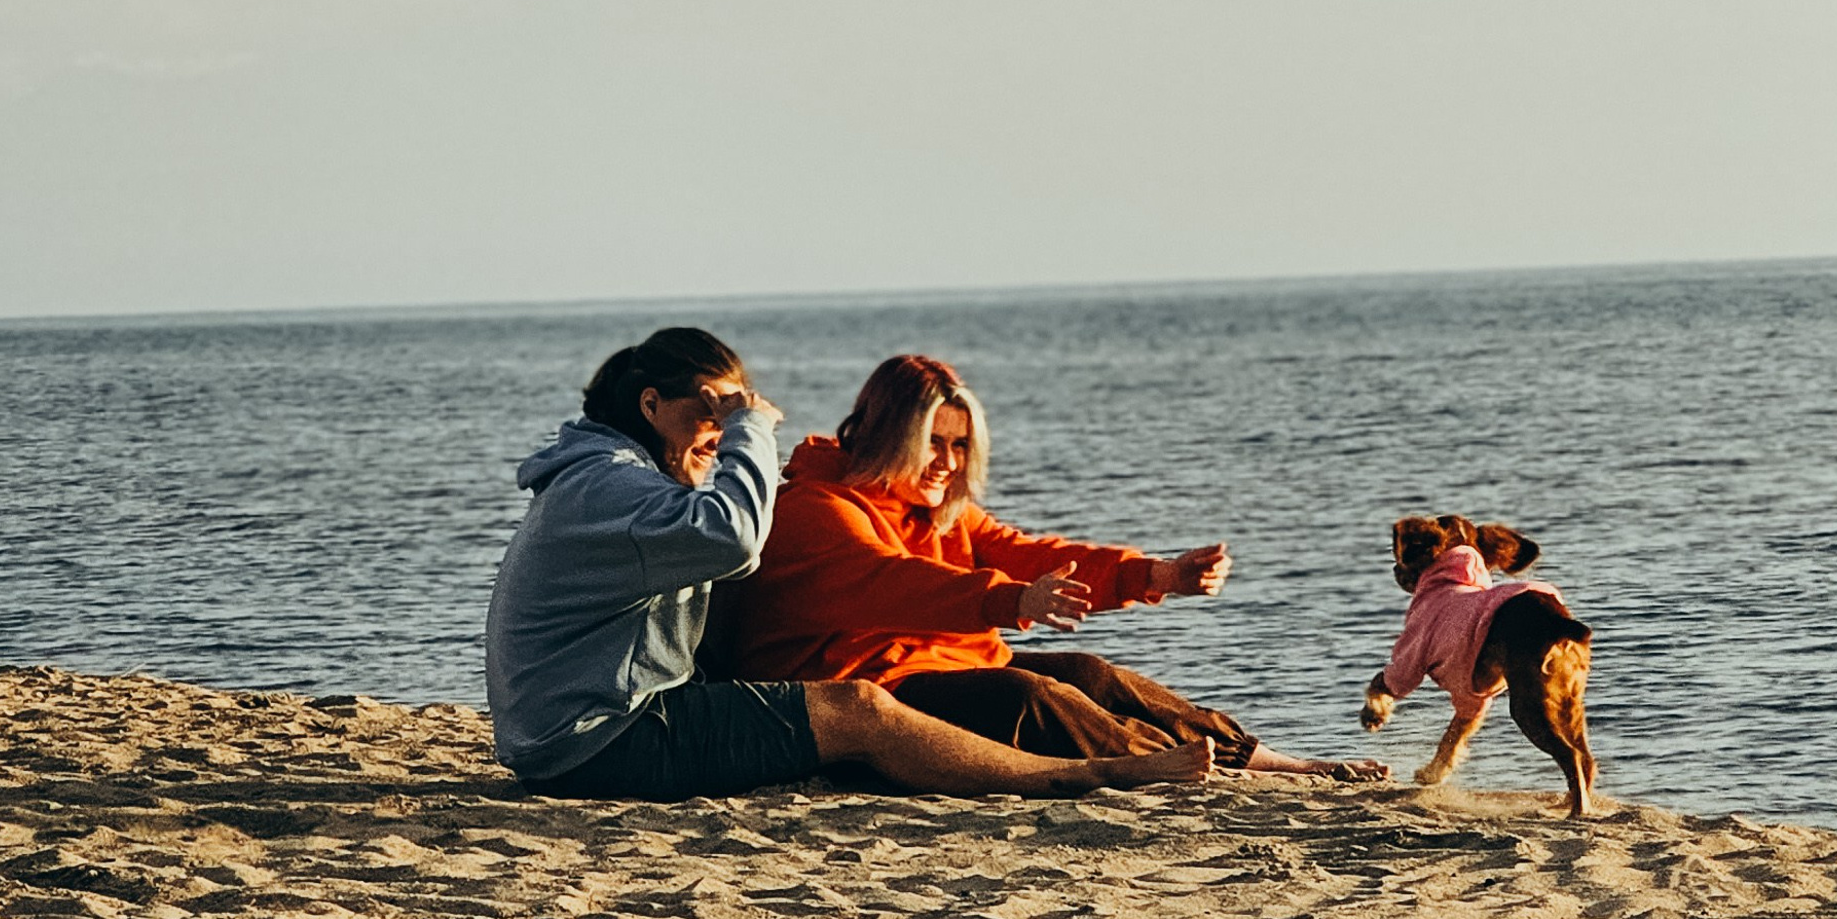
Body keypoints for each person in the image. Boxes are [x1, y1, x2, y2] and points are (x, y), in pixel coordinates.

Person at [483, 326, 1216, 801]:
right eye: (707, 415)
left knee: (1077, 675)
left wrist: (1149, 575)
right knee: (857, 706)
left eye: (723, 417)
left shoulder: (612, 483)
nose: (717, 434)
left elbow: (1017, 548)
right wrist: (751, 427)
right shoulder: (610, 485)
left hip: (587, 728)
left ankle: (1222, 754)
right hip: (596, 741)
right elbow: (740, 540)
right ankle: (1092, 775)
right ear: (649, 406)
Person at [729, 353, 1387, 780]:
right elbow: (894, 586)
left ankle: (1268, 761)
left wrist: (1154, 575)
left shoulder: (935, 512)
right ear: (882, 432)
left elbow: (1034, 553)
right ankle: (1176, 769)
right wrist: (1012, 601)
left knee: (1086, 671)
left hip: (935, 668)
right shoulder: (817, 507)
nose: (949, 464)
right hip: (855, 698)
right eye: (934, 443)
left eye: (961, 448)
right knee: (1028, 694)